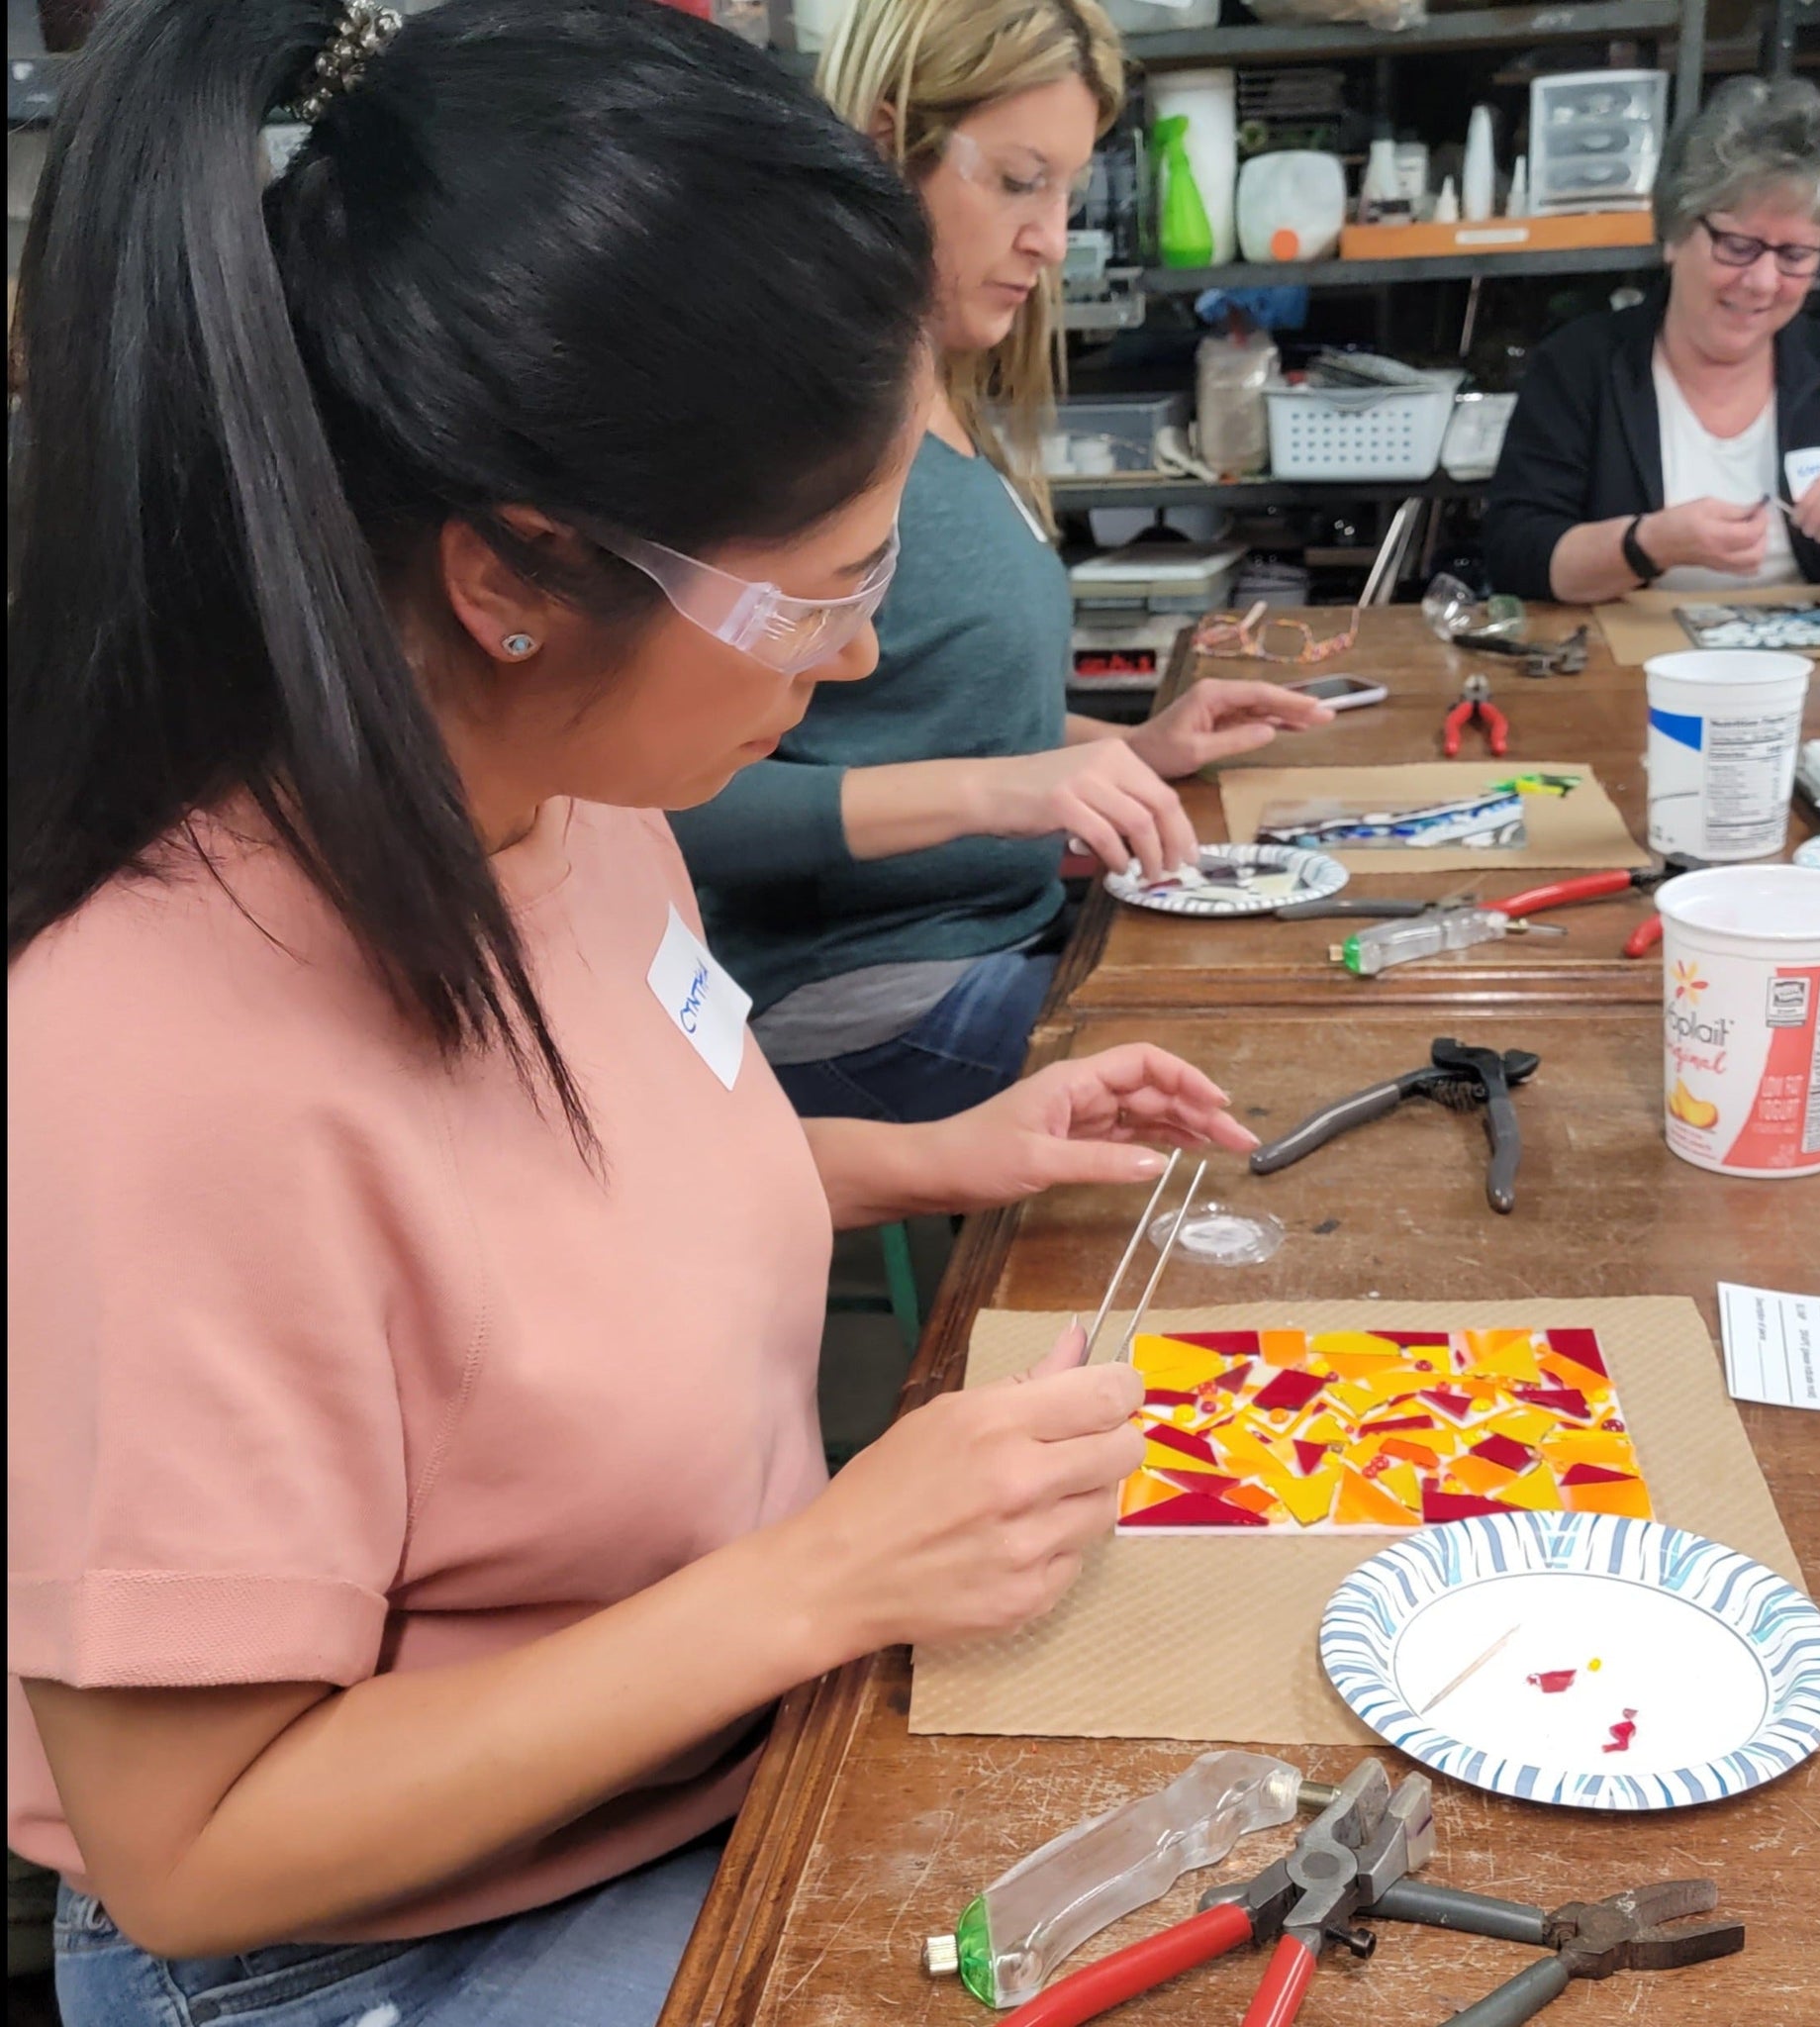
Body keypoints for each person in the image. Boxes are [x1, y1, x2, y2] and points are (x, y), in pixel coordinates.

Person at [5, 5, 1259, 2023]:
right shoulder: (149, 1057)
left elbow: (575, 1209)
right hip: (366, 1950)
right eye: (820, 595)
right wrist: (823, 1578)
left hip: (710, 1759)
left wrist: (948, 1151)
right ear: (516, 573)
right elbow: (191, 1848)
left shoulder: (582, 799)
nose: (851, 662)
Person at [670, 0, 1335, 1127]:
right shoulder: (791, 433)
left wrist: (1130, 747)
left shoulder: (952, 410)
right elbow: (670, 808)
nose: (1051, 234)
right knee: (1252, 1070)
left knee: (1305, 985)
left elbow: (923, 716)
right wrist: (994, 794)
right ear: (885, 146)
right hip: (854, 992)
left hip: (998, 943)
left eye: (1065, 190)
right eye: (1019, 181)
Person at [1483, 75, 1820, 604]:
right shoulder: (1580, 365)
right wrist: (1649, 544)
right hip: (1626, 676)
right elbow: (1517, 554)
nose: (1763, 282)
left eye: (1795, 256)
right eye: (1737, 245)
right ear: (1675, 234)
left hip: (1815, 677)